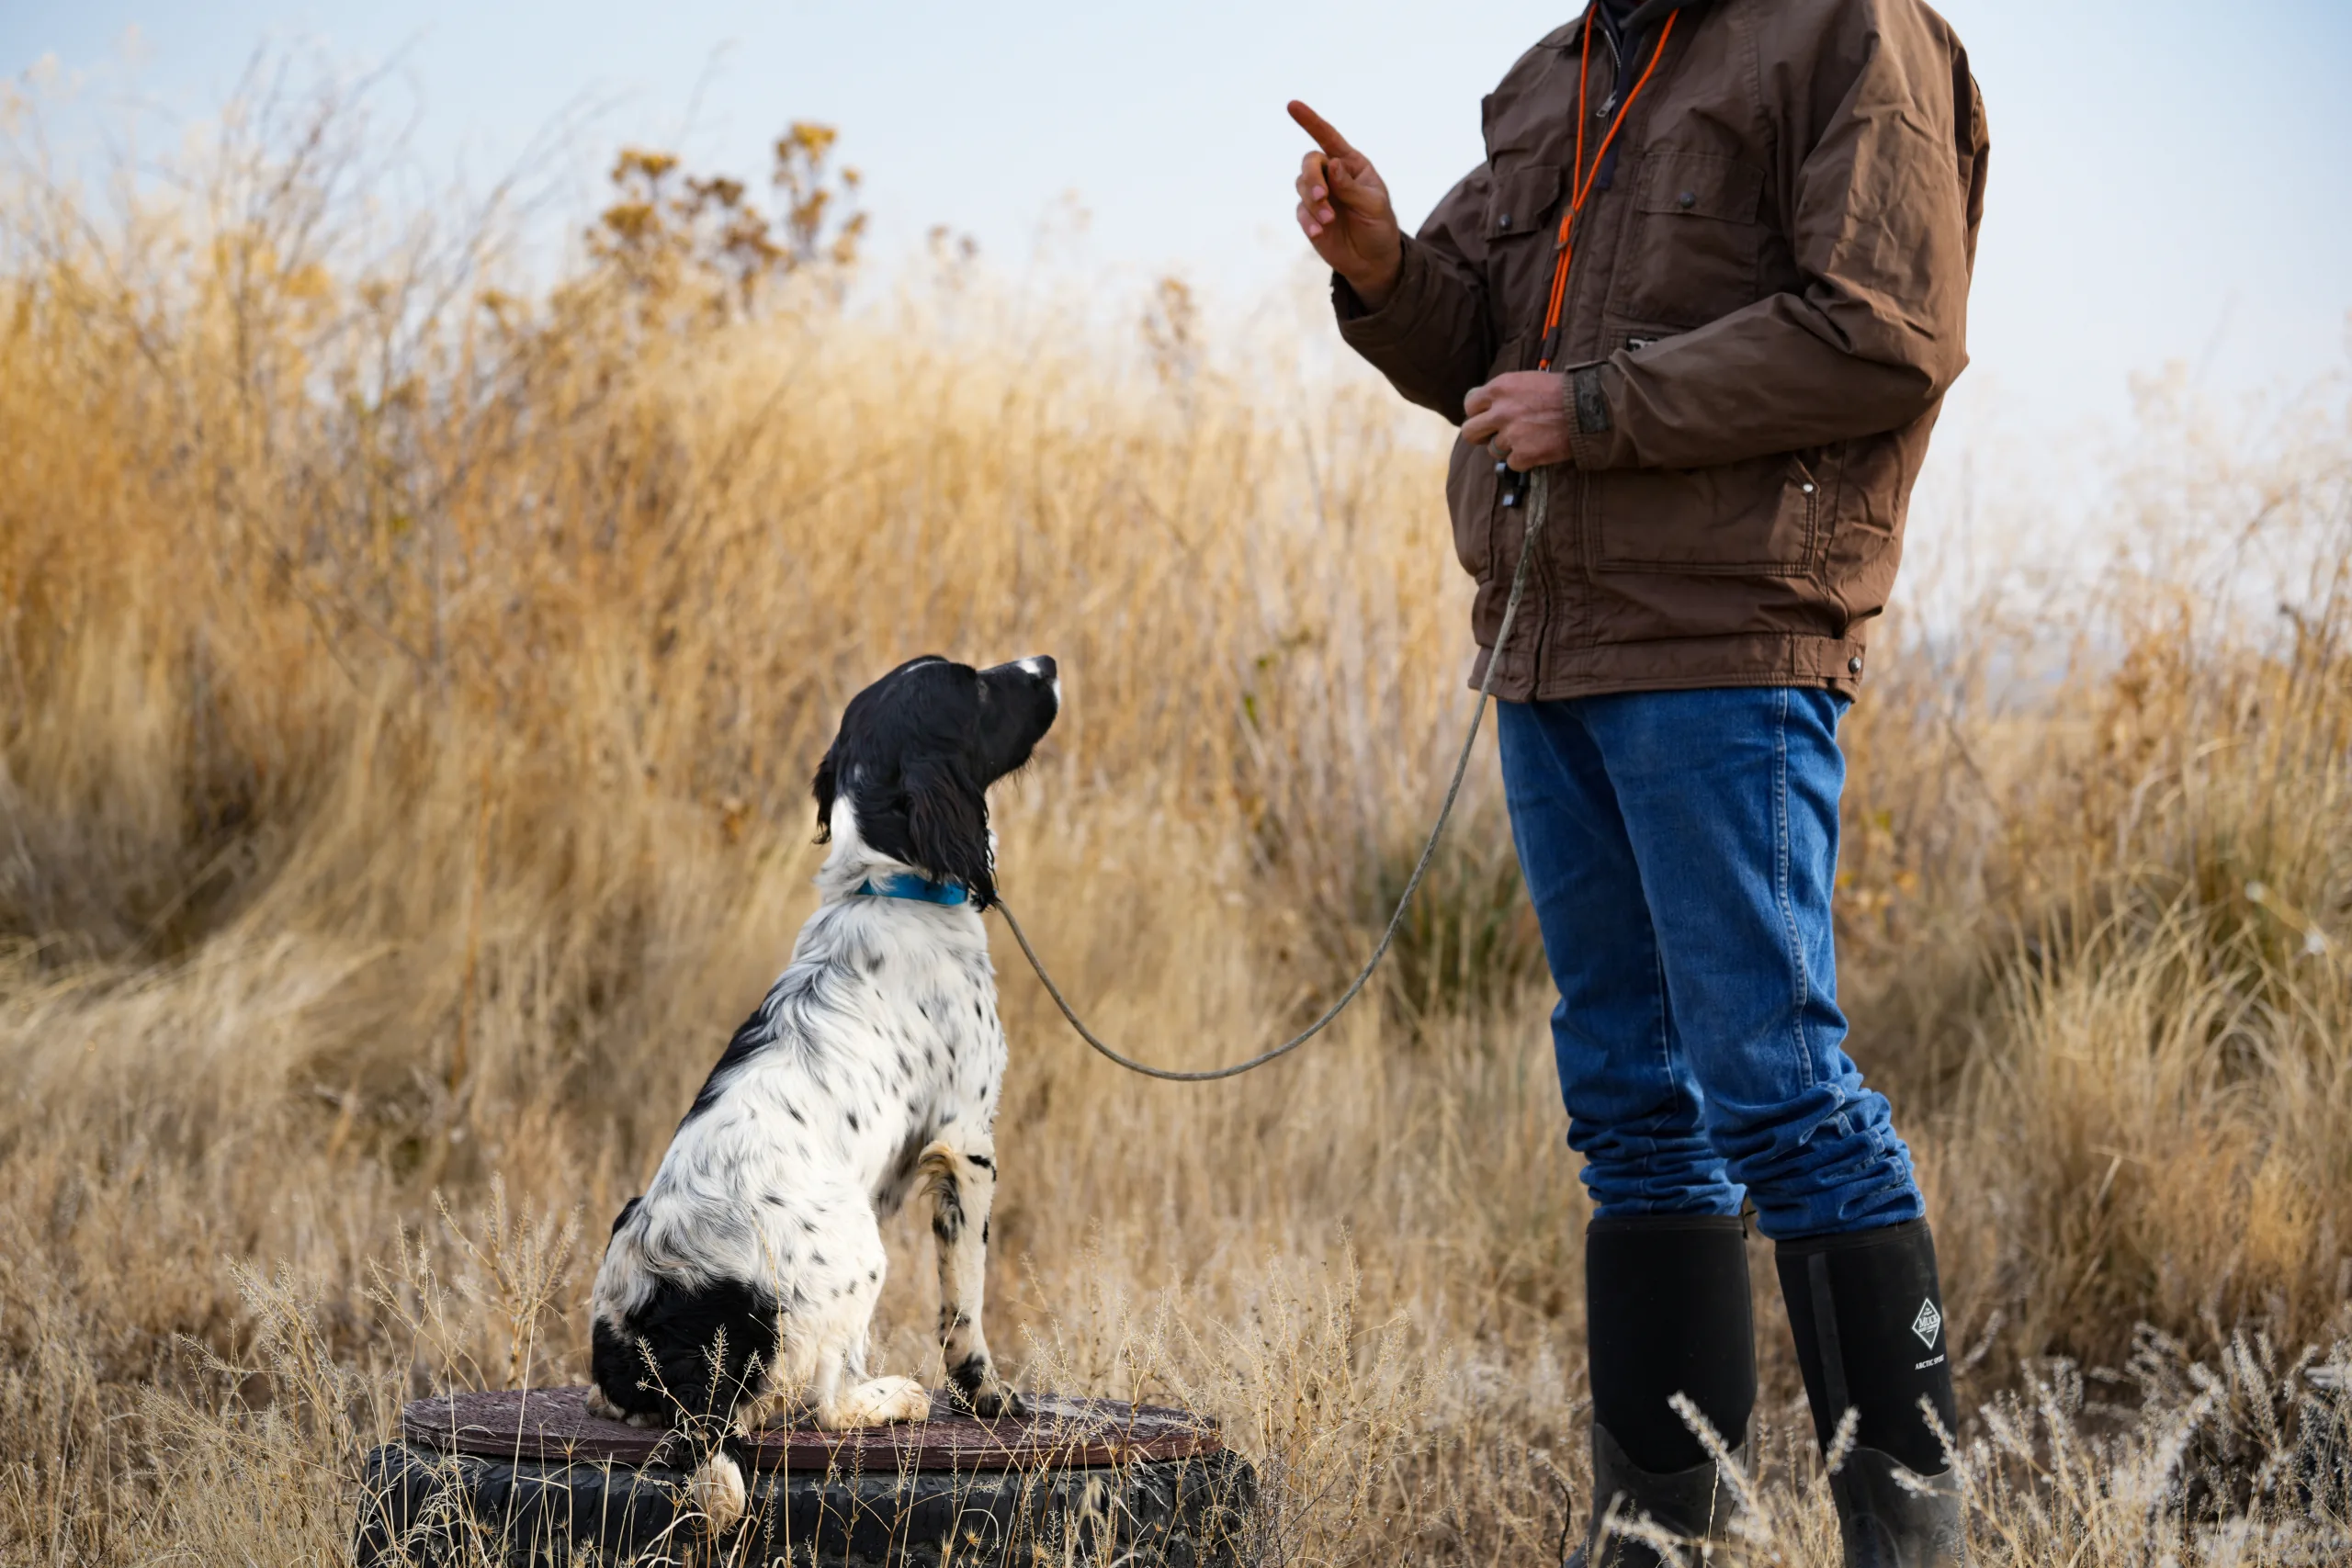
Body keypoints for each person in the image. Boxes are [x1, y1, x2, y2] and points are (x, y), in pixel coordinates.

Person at [1292, 1, 1988, 1564]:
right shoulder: (1565, 67)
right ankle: (1661, 1534)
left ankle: (1910, 1539)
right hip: (1551, 644)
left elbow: (1885, 325)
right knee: (1631, 1110)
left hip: (1728, 641)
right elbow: (1482, 345)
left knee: (1780, 1094)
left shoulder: (1849, 34)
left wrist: (1597, 409)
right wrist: (1389, 267)